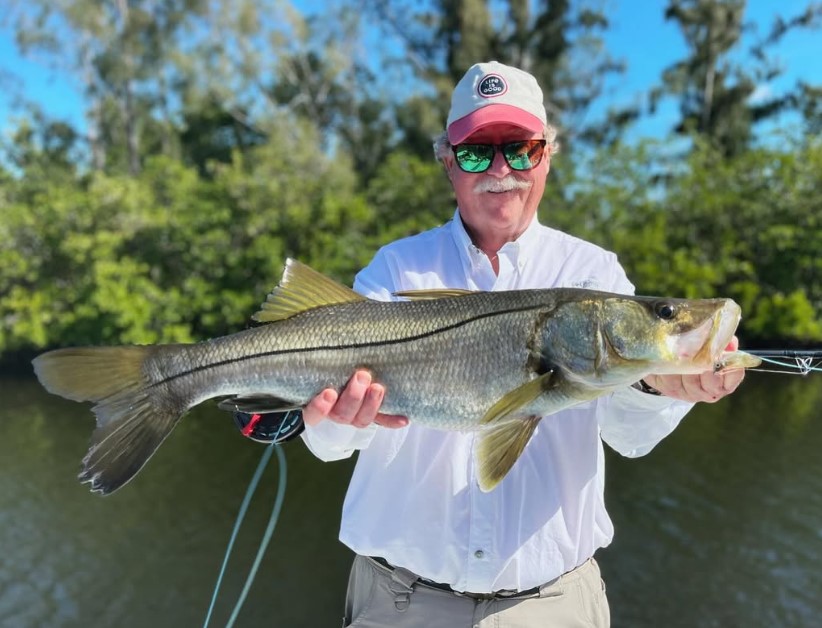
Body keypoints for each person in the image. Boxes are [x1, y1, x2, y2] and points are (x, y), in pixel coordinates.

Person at [300, 61, 745, 627]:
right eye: (476, 151)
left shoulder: (594, 272)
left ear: (547, 155)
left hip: (552, 605)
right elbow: (331, 446)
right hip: (399, 603)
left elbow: (629, 437)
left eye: (520, 148)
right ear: (447, 162)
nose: (500, 169)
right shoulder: (396, 270)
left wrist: (664, 385)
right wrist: (341, 419)